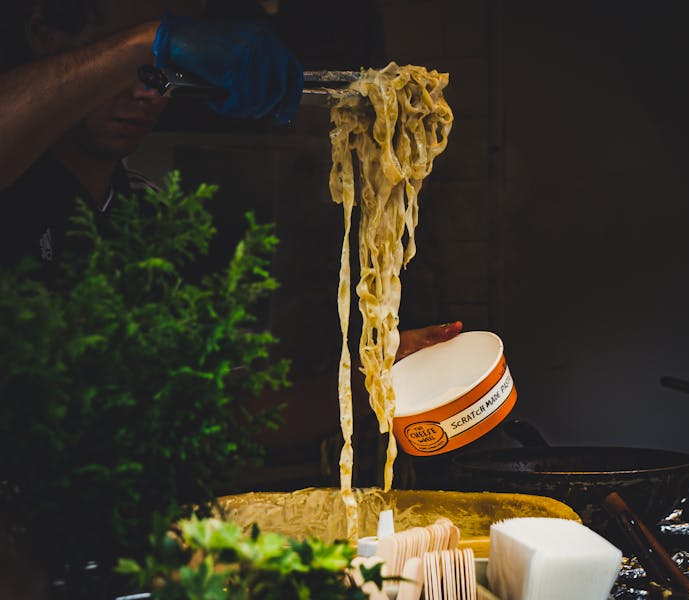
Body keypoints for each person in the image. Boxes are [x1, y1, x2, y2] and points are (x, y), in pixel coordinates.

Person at [0, 0, 463, 485]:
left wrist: (375, 379)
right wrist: (147, 39)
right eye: (123, 65)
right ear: (43, 34)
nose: (145, 93)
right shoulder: (18, 189)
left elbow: (218, 412)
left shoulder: (153, 219)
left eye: (163, 73)